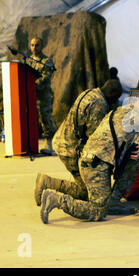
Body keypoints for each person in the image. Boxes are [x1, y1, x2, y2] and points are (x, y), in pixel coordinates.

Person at [39, 96, 139, 224]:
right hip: (95, 166)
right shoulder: (130, 117)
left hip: (91, 161)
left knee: (86, 193)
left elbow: (125, 150)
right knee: (98, 210)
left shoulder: (118, 112)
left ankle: (113, 201)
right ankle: (56, 200)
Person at [34, 78, 123, 207]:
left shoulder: (92, 93)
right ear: (113, 97)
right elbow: (95, 140)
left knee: (88, 186)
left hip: (63, 140)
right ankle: (48, 183)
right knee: (88, 193)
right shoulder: (100, 105)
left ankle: (47, 183)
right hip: (70, 149)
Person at [26, 37, 57, 155]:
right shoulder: (28, 60)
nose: (34, 48)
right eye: (32, 45)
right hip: (30, 95)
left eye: (37, 45)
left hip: (44, 96)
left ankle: (50, 146)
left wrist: (31, 85)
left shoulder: (46, 61)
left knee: (46, 119)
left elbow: (45, 78)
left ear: (41, 46)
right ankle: (30, 144)